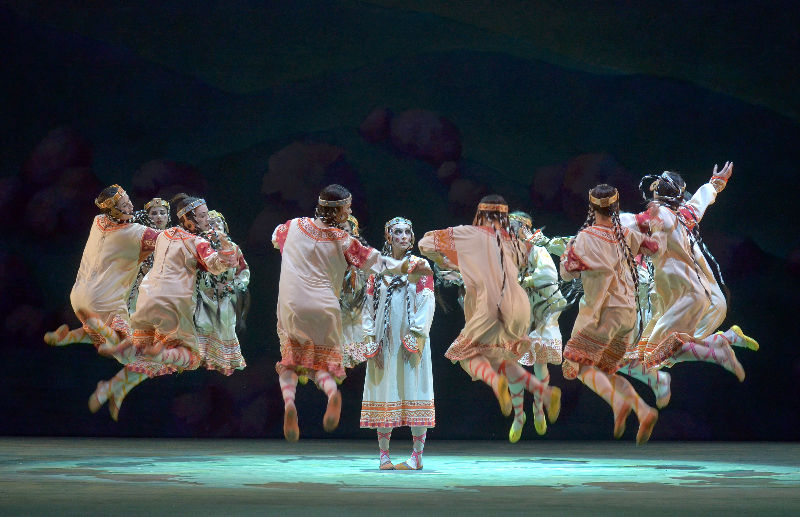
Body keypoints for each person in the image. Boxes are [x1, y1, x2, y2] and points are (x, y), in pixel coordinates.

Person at [272, 184, 424, 442]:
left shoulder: (293, 226)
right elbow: (379, 263)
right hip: (326, 310)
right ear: (339, 210)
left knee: (291, 362)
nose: (351, 210)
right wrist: (411, 267)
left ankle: (289, 403)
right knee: (323, 365)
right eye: (348, 207)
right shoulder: (345, 240)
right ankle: (332, 394)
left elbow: (276, 239)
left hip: (291, 306)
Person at [419, 195, 560, 443]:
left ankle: (497, 385)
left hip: (490, 305)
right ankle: (543, 392)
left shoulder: (470, 234)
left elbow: (425, 244)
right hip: (519, 308)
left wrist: (448, 259)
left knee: (465, 356)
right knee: (500, 357)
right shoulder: (514, 242)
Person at [88, 193, 238, 419]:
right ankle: (148, 352)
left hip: (148, 303)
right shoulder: (199, 242)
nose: (208, 220)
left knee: (154, 361)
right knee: (188, 358)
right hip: (174, 306)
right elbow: (217, 266)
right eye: (204, 216)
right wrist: (226, 250)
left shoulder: (164, 235)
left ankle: (113, 386)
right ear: (190, 219)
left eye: (210, 217)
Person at [631, 163, 757, 377]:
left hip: (680, 291)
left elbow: (632, 233)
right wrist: (715, 184)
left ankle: (722, 343)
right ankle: (724, 340)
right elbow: (698, 203)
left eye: (658, 186)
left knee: (652, 358)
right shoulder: (683, 218)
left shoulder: (665, 216)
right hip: (691, 294)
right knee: (654, 354)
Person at [560, 184, 660, 444]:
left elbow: (567, 272)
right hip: (628, 314)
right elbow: (653, 247)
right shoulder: (626, 234)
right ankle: (643, 409)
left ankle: (618, 403)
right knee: (606, 372)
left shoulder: (586, 237)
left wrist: (568, 257)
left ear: (592, 208)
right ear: (615, 208)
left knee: (578, 366)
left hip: (605, 312)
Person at [44, 185, 159, 355]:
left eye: (129, 201)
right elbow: (168, 243)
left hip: (78, 298)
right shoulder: (135, 233)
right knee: (130, 353)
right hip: (104, 301)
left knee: (99, 333)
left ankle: (67, 337)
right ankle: (110, 342)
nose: (131, 207)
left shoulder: (98, 221)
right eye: (125, 205)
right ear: (114, 210)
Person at [360, 217, 435, 470]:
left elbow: (427, 300)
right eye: (397, 232)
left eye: (407, 232)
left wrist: (416, 335)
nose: (403, 236)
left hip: (411, 338)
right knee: (384, 390)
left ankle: (417, 455)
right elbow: (368, 306)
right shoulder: (378, 268)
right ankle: (384, 455)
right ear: (388, 237)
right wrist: (369, 336)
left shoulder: (419, 265)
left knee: (415, 389)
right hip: (385, 338)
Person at [509, 211, 565, 436]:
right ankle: (518, 414)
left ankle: (539, 408)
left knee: (540, 364)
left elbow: (549, 276)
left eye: (513, 226)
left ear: (524, 227)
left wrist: (524, 280)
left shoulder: (537, 249)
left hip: (540, 309)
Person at [194, 210, 249, 376]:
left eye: (218, 222)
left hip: (226, 295)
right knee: (204, 324)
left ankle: (225, 360)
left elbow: (243, 270)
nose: (215, 225)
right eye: (210, 223)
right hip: (206, 295)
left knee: (226, 326)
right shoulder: (201, 247)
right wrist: (205, 286)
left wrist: (234, 285)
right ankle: (202, 358)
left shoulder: (234, 248)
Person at [128, 197, 171, 313]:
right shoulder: (140, 235)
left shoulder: (174, 236)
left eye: (162, 213)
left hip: (166, 284)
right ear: (148, 216)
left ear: (168, 216)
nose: (159, 217)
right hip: (142, 281)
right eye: (154, 213)